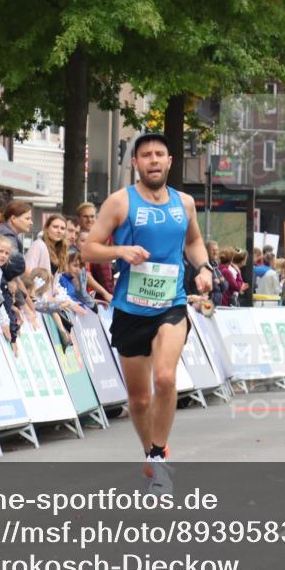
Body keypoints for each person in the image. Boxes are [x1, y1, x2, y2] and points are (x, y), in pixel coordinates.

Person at [82, 132, 212, 495]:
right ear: (135, 163)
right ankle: (151, 452)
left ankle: (158, 455)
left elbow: (194, 241)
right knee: (139, 399)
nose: (153, 160)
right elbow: (89, 249)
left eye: (160, 154)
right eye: (146, 155)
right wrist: (120, 252)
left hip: (171, 303)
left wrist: (204, 269)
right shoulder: (120, 202)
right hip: (130, 308)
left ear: (170, 161)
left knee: (166, 378)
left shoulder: (184, 202)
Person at [78, 201, 115, 301]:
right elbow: (86, 274)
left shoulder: (105, 237)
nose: (89, 220)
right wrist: (106, 293)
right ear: (79, 218)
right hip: (85, 296)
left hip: (102, 295)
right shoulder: (74, 238)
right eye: (85, 216)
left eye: (92, 216)